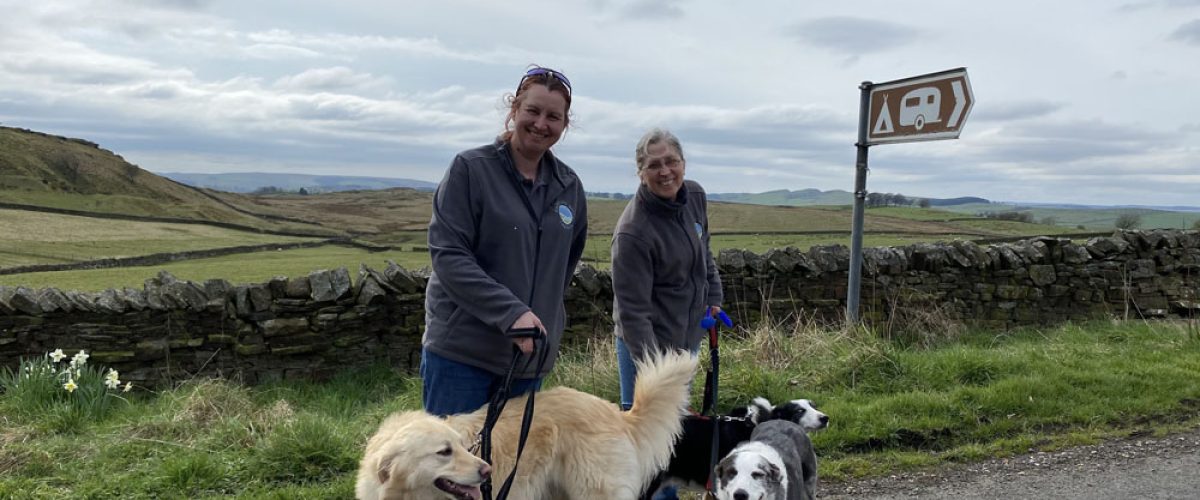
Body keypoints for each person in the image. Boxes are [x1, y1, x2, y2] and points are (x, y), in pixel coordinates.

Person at [421, 66, 588, 417]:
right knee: (457, 466)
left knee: (516, 469)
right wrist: (511, 313)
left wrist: (543, 316)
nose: (541, 123)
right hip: (463, 356)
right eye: (533, 111)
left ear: (564, 124)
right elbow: (449, 256)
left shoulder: (569, 186)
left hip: (528, 358)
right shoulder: (470, 169)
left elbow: (565, 264)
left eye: (553, 116)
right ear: (514, 109)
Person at [611, 128, 723, 412]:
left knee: (676, 418)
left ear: (683, 163)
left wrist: (713, 298)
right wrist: (656, 373)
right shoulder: (632, 233)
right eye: (654, 165)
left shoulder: (695, 196)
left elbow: (704, 252)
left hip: (687, 332)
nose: (665, 172)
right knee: (642, 424)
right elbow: (633, 314)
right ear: (641, 173)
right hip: (646, 341)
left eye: (671, 161)